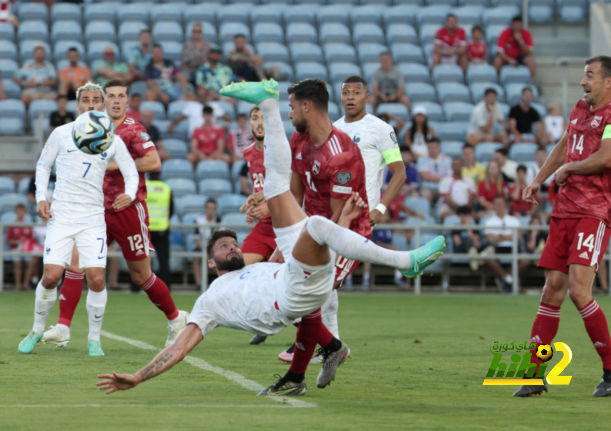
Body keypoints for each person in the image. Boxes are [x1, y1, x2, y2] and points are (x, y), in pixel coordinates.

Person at [96, 78, 445, 397]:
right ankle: (402, 265)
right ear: (211, 262)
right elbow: (178, 348)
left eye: (233, 242)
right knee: (314, 231)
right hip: (292, 294)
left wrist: (303, 234)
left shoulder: (257, 267)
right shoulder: (207, 303)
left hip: (298, 276)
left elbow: (288, 223)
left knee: (283, 193)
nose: (232, 245)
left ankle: (268, 103)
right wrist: (138, 377)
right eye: (223, 246)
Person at [515, 56, 611, 398]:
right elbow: (565, 145)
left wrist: (570, 170)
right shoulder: (580, 109)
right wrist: (539, 178)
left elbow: (609, 156)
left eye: (590, 76)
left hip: (592, 213)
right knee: (552, 291)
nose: (584, 82)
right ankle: (535, 375)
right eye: (584, 75)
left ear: (608, 82)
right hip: (564, 211)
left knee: (580, 291)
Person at [41, 80, 189, 351]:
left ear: (128, 101)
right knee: (76, 265)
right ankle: (63, 327)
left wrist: (111, 165)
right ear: (103, 100)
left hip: (127, 210)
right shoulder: (91, 128)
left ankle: (176, 318)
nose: (117, 101)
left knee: (140, 276)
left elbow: (154, 162)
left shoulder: (134, 129)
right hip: (95, 210)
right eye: (111, 96)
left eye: (122, 96)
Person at [18, 82, 139, 356]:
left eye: (97, 100)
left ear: (103, 104)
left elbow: (131, 172)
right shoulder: (62, 133)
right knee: (50, 277)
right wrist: (41, 198)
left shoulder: (111, 139)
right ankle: (37, 329)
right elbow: (43, 165)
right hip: (61, 216)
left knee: (96, 278)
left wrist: (130, 194)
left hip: (92, 218)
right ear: (78, 105)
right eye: (86, 100)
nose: (92, 105)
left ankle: (94, 340)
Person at [282, 78, 372, 362]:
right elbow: (295, 197)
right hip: (313, 226)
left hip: (348, 232)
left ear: (306, 106)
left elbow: (339, 219)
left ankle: (324, 347)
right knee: (291, 286)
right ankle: (327, 346)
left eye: (292, 106)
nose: (289, 113)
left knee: (315, 286)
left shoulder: (341, 154)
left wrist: (314, 248)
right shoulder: (298, 138)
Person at [334, 76, 407, 227]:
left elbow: (399, 172)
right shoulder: (333, 129)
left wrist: (380, 209)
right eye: (346, 93)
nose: (350, 97)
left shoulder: (381, 129)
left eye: (356, 92)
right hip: (334, 212)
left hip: (363, 213)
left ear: (367, 97)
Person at [239, 107, 278, 268]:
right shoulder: (248, 152)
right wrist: (254, 206)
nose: (260, 123)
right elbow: (259, 186)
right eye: (255, 118)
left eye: (264, 118)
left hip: (283, 226)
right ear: (250, 124)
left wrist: (268, 206)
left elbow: (291, 187)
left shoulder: (279, 151)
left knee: (284, 281)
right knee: (236, 270)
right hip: (263, 227)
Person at [484, 195, 521, 292]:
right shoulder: (489, 221)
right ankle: (507, 277)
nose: (499, 206)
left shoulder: (514, 220)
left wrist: (500, 237)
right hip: (498, 248)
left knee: (526, 258)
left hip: (513, 247)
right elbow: (490, 238)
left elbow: (518, 236)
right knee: (488, 257)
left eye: (501, 204)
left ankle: (506, 277)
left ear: (505, 205)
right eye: (497, 204)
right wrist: (509, 237)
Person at [145, 173, 172, 288]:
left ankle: (136, 287)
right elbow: (171, 209)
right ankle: (165, 286)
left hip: (145, 230)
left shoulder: (142, 186)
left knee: (140, 260)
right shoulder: (165, 188)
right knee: (163, 261)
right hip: (161, 230)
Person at [5, 203, 37, 291]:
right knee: (17, 262)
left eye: (22, 211)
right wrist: (17, 242)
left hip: (26, 249)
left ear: (25, 213)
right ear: (15, 213)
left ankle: (26, 284)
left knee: (31, 262)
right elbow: (7, 240)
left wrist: (25, 243)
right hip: (15, 248)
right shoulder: (12, 225)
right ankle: (18, 285)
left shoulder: (28, 225)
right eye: (18, 211)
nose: (20, 213)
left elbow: (32, 239)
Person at [192, 199, 218, 286]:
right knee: (196, 256)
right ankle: (199, 283)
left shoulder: (219, 221)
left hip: (215, 248)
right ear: (205, 209)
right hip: (201, 246)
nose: (211, 211)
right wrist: (204, 248)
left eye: (213, 208)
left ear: (216, 210)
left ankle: (221, 283)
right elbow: (196, 239)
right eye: (209, 208)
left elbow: (222, 239)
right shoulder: (198, 221)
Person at [417, 138, 452, 202]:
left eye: (435, 147)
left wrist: (432, 177)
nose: (433, 150)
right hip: (427, 187)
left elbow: (450, 177)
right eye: (431, 147)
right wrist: (442, 178)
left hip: (443, 187)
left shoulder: (447, 160)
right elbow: (425, 177)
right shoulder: (422, 159)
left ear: (439, 148)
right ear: (428, 148)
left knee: (450, 195)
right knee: (426, 195)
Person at [451, 205, 483, 271]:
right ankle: (478, 258)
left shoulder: (474, 228)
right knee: (467, 239)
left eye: (466, 215)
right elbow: (457, 243)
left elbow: (477, 242)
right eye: (462, 215)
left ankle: (474, 255)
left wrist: (469, 229)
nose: (464, 217)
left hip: (474, 247)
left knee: (486, 245)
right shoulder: (456, 228)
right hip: (461, 249)